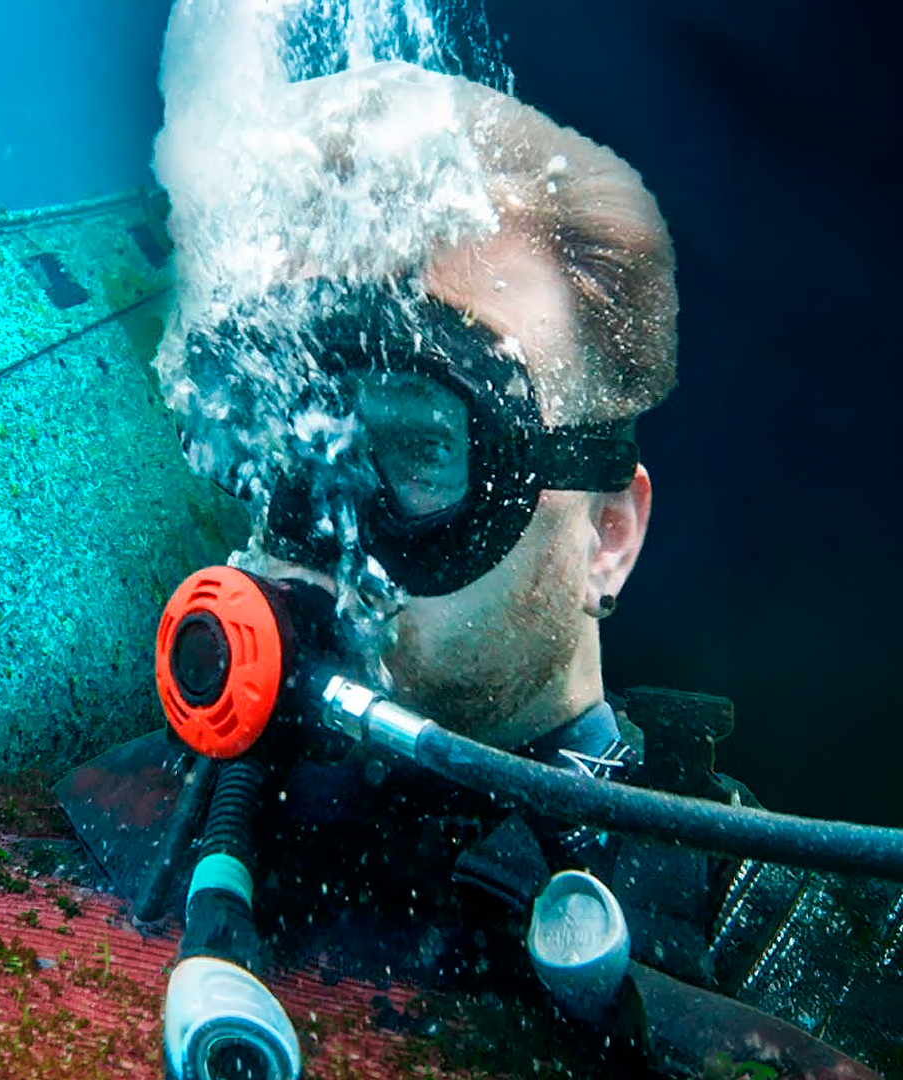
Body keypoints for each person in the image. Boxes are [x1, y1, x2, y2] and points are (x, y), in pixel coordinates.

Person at [133, 62, 896, 1076]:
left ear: (608, 535)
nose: (328, 531)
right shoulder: (153, 820)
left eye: (419, 450)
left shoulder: (795, 932)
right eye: (298, 447)